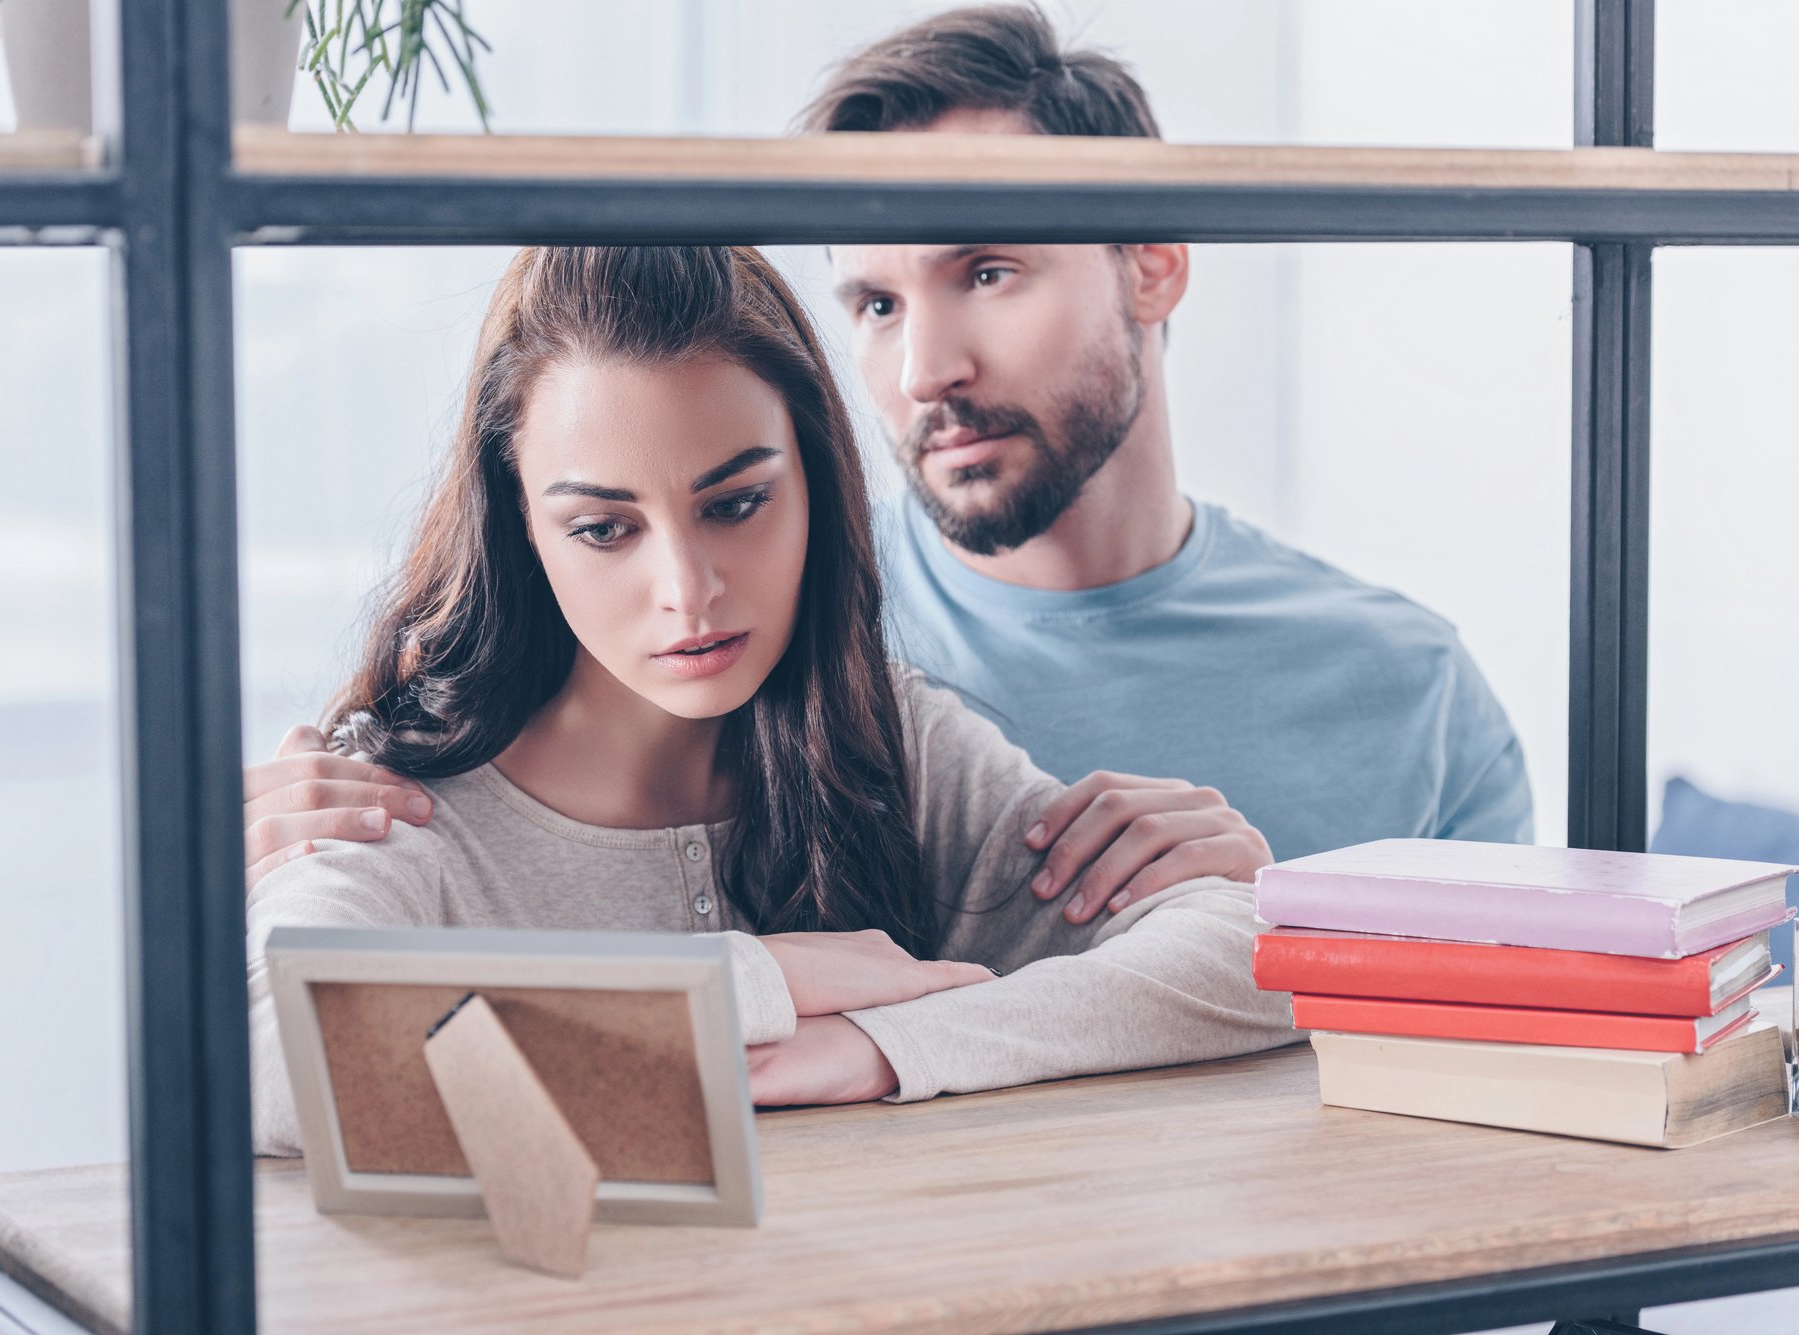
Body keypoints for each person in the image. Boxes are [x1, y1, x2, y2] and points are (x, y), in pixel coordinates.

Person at [243, 4, 1533, 920]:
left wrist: (1273, 922)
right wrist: (277, 848)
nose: (925, 369)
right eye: (873, 303)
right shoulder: (749, 648)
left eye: (985, 270)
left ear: (1152, 262)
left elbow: (1496, 1141)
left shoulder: (1403, 690)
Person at [244, 245, 1290, 1152]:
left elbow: (1249, 961)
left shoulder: (887, 743)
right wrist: (753, 984)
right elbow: (289, 1071)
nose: (688, 593)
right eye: (604, 529)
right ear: (519, 523)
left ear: (815, 482)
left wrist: (881, 1048)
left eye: (737, 504)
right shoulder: (393, 801)